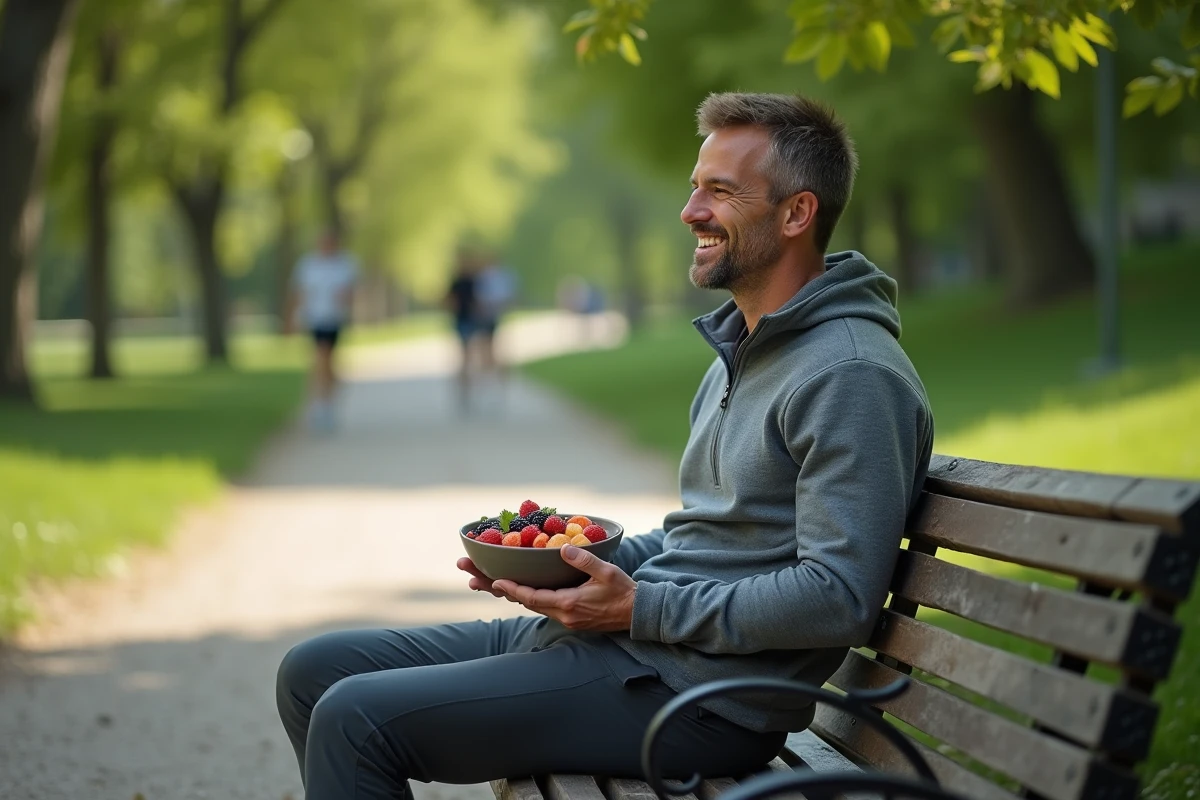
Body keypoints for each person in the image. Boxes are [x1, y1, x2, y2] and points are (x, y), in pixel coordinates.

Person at [275, 93, 935, 799]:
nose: (690, 212)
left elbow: (837, 597)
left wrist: (638, 608)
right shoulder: (741, 346)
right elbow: (706, 539)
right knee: (313, 670)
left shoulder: (851, 373)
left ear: (796, 213)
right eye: (693, 187)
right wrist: (568, 561)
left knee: (355, 720)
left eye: (719, 191)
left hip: (699, 698)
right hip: (632, 650)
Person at [288, 230, 358, 431]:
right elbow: (298, 292)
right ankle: (320, 404)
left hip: (334, 319)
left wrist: (345, 298)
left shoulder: (344, 265)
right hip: (313, 318)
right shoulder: (308, 265)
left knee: (327, 361)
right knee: (320, 357)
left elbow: (351, 292)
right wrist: (291, 319)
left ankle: (326, 401)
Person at [445, 254, 482, 412]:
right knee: (465, 355)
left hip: (469, 320)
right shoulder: (459, 282)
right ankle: (465, 387)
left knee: (467, 355)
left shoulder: (473, 282)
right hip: (462, 320)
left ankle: (467, 386)